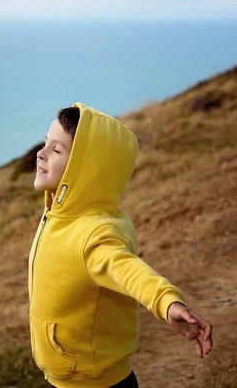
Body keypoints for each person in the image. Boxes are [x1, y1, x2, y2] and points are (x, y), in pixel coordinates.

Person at [28, 103, 213, 388]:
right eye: (45, 143)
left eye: (56, 150)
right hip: (67, 376)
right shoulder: (59, 213)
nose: (40, 154)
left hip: (96, 383)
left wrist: (167, 301)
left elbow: (129, 271)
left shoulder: (95, 232)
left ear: (86, 168)